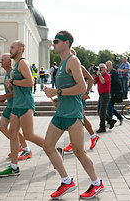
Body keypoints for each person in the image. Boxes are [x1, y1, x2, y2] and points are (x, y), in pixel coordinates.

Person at [43, 31, 104, 199]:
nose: (53, 44)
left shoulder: (73, 60)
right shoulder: (62, 63)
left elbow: (82, 87)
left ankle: (97, 183)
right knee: (48, 146)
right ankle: (66, 181)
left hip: (73, 114)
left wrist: (58, 91)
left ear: (66, 43)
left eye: (56, 41)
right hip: (61, 112)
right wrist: (56, 97)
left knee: (79, 151)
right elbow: (67, 91)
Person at [0, 40, 45, 176]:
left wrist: (12, 81)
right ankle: (14, 167)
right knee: (13, 134)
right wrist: (10, 85)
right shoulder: (15, 67)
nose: (10, 49)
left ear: (21, 49)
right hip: (16, 104)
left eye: (13, 47)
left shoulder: (23, 62)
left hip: (25, 103)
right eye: (10, 47)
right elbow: (15, 87)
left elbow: (30, 82)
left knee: (29, 135)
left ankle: (53, 149)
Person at [0, 53, 32, 161]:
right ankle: (19, 145)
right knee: (2, 127)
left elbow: (15, 92)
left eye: (3, 60)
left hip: (16, 105)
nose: (0, 62)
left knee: (16, 131)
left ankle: (26, 149)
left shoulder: (12, 73)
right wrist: (4, 98)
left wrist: (3, 96)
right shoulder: (7, 74)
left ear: (9, 62)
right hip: (10, 105)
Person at [63, 48, 100, 153]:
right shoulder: (66, 66)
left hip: (78, 98)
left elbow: (91, 79)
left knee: (79, 119)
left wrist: (86, 92)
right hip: (71, 98)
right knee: (78, 119)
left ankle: (78, 142)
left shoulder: (79, 66)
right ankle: (92, 137)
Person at [93, 63, 112, 133]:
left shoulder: (107, 76)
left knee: (102, 112)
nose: (100, 69)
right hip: (101, 95)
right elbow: (93, 81)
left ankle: (102, 127)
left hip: (105, 95)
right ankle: (110, 121)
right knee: (99, 111)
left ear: (105, 68)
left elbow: (103, 81)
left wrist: (99, 75)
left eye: (102, 68)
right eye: (99, 68)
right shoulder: (99, 75)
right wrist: (94, 73)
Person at [106, 60, 124, 128]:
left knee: (109, 106)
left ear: (111, 65)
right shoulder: (108, 72)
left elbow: (117, 82)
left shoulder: (114, 72)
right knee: (110, 107)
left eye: (107, 65)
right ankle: (119, 117)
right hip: (109, 92)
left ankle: (109, 121)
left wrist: (109, 78)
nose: (106, 67)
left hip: (114, 93)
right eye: (106, 65)